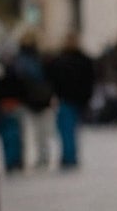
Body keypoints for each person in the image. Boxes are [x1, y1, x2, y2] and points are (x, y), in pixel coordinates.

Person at [45, 35, 96, 170]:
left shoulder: (61, 60)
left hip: (66, 99)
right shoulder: (83, 60)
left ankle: (69, 157)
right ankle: (70, 156)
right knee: (70, 129)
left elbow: (52, 80)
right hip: (76, 100)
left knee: (66, 130)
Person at [13, 36, 56, 169]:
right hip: (39, 99)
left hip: (30, 100)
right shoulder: (40, 59)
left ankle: (35, 158)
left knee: (31, 132)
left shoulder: (22, 61)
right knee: (41, 132)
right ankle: (42, 157)